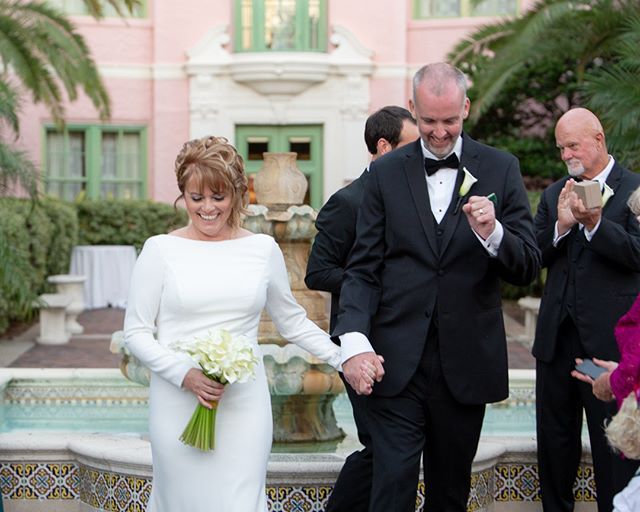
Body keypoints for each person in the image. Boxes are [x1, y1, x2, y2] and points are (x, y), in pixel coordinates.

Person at [333, 62, 540, 511]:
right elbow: (362, 268)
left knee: (450, 494)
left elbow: (527, 266)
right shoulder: (386, 173)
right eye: (428, 122)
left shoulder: (501, 168)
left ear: (465, 108)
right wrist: (352, 342)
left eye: (450, 121)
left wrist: (495, 234)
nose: (440, 133)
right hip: (394, 362)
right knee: (391, 487)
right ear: (413, 109)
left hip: (465, 365)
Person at [123, 136, 366, 512]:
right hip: (177, 400)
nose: (207, 208)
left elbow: (292, 322)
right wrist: (183, 372)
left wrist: (344, 358)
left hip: (244, 405)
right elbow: (136, 332)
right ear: (182, 195)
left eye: (218, 197)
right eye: (195, 197)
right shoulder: (159, 250)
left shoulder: (262, 249)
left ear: (237, 194)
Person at [305, 105, 418, 512]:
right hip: (359, 342)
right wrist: (374, 284)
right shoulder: (347, 202)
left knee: (390, 445)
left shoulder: (413, 197)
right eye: (412, 144)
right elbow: (317, 273)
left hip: (407, 342)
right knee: (380, 445)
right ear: (383, 147)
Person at [532, 108, 640, 512]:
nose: (566, 155)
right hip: (555, 344)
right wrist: (560, 227)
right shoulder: (553, 193)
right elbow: (532, 259)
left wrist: (595, 226)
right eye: (561, 148)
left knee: (612, 450)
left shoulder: (635, 188)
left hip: (609, 348)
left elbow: (638, 254)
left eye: (573, 145)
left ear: (598, 138)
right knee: (554, 449)